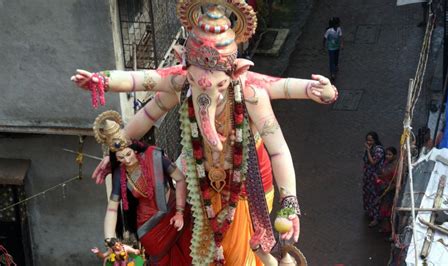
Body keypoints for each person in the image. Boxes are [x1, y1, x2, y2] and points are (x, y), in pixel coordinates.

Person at [72, 2, 339, 265]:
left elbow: (279, 147)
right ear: (183, 65)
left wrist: (289, 200)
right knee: (197, 248)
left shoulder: (251, 93)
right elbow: (142, 95)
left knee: (239, 254)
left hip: (246, 182)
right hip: (200, 179)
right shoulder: (179, 82)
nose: (207, 92)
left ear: (236, 72)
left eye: (219, 85)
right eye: (195, 82)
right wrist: (102, 84)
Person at [92, 111, 192, 265]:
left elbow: (180, 180)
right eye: (121, 158)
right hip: (149, 228)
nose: (126, 160)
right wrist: (110, 240)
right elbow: (112, 209)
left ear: (134, 149)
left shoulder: (155, 157)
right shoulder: (120, 173)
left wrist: (179, 212)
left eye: (128, 154)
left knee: (190, 252)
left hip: (175, 214)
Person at [363, 131, 385, 227]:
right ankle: (370, 212)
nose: (368, 142)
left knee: (375, 197)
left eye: (370, 140)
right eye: (367, 140)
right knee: (368, 195)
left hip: (375, 178)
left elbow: (373, 162)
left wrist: (368, 150)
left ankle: (376, 218)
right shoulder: (371, 148)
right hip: (368, 177)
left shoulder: (378, 151)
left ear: (375, 140)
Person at [375, 147, 397, 234]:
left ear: (394, 155)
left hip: (389, 192)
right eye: (386, 154)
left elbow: (395, 183)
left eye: (390, 154)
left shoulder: (395, 167)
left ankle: (389, 230)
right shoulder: (386, 163)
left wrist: (386, 189)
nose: (387, 156)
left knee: (388, 212)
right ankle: (385, 227)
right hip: (383, 190)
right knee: (383, 210)